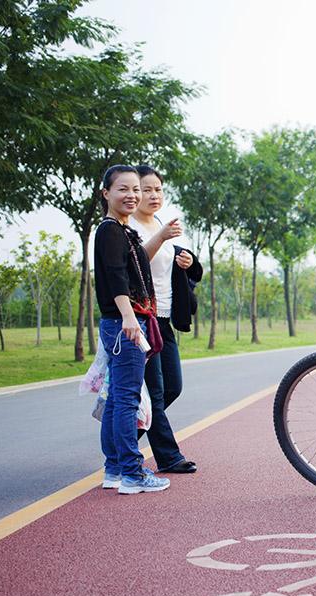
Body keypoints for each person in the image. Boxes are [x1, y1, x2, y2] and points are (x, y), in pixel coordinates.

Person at [93, 165, 169, 495]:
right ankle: (132, 473)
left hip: (124, 321)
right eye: (122, 189)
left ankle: (114, 469)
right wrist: (128, 318)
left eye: (135, 189)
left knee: (116, 400)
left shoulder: (124, 230)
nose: (132, 195)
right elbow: (115, 277)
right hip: (125, 322)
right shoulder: (110, 230)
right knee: (126, 399)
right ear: (106, 193)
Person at [130, 164, 202, 475]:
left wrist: (186, 261)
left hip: (163, 319)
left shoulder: (160, 222)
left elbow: (167, 266)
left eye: (158, 189)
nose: (153, 194)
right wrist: (161, 237)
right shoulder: (130, 227)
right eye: (146, 189)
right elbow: (135, 263)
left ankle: (125, 436)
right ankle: (168, 457)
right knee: (156, 392)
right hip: (141, 317)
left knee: (173, 386)